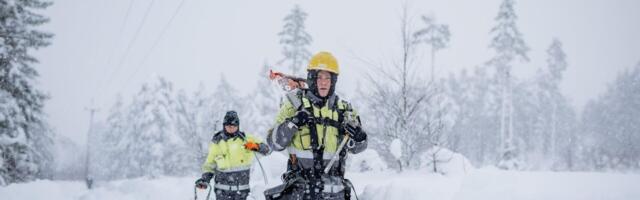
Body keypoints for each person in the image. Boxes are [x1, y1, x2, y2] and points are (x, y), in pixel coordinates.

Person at [266, 51, 368, 200]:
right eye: (319, 77)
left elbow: (359, 147)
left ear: (333, 81)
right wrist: (292, 124)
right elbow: (273, 142)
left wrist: (360, 138)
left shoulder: (345, 110)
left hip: (334, 193)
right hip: (300, 193)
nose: (324, 82)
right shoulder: (293, 104)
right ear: (312, 78)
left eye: (328, 77)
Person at [195, 110, 271, 200]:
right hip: (222, 192)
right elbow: (210, 164)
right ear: (224, 126)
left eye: (233, 125)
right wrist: (205, 179)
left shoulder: (246, 139)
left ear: (238, 126)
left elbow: (267, 150)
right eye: (228, 125)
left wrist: (254, 146)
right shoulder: (217, 142)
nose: (231, 128)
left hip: (242, 192)